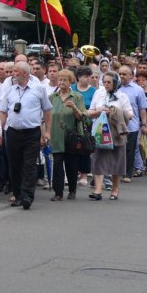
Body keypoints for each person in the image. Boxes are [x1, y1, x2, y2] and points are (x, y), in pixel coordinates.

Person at [0, 60, 52, 210]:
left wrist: (47, 131)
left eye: (15, 72)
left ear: (25, 74)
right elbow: (2, 111)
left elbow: (47, 110)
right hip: (12, 132)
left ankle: (27, 196)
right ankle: (18, 194)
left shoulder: (38, 89)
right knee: (14, 165)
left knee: (29, 165)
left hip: (31, 133)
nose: (13, 75)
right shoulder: (9, 90)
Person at [87, 72, 132, 200]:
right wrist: (99, 110)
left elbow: (130, 115)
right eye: (104, 82)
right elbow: (90, 112)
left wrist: (114, 111)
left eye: (109, 82)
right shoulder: (98, 94)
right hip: (100, 130)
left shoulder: (122, 96)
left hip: (116, 132)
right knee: (97, 159)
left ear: (115, 83)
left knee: (117, 161)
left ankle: (115, 189)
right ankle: (98, 190)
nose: (106, 85)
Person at [48, 69, 87, 201]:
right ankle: (58, 192)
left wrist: (74, 108)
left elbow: (82, 117)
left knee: (71, 164)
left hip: (71, 136)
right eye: (60, 79)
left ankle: (72, 190)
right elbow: (46, 117)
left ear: (70, 81)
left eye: (65, 80)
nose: (62, 82)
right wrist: (45, 133)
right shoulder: (52, 98)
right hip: (56, 135)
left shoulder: (77, 97)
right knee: (57, 164)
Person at [115, 65, 147, 181]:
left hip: (132, 126)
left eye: (124, 74)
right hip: (115, 125)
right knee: (117, 149)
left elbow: (142, 109)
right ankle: (117, 172)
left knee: (129, 150)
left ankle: (127, 174)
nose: (122, 76)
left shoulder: (138, 90)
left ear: (131, 76)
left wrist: (144, 124)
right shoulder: (115, 88)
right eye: (120, 74)